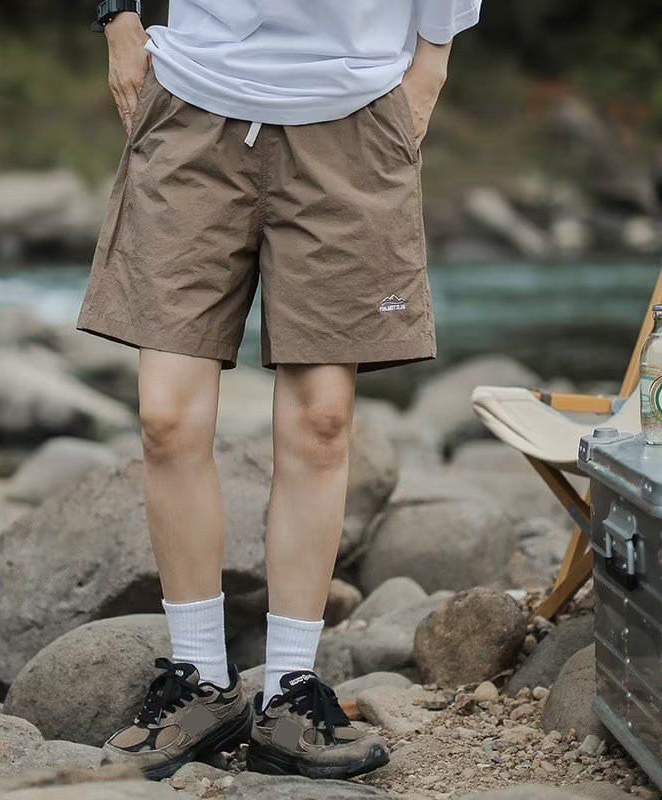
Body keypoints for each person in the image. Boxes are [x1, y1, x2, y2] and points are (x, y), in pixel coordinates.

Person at [78, 0, 481, 781]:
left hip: (353, 110)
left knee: (322, 422)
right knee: (166, 416)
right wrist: (118, 18)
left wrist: (432, 63)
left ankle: (292, 693)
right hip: (194, 100)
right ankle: (202, 682)